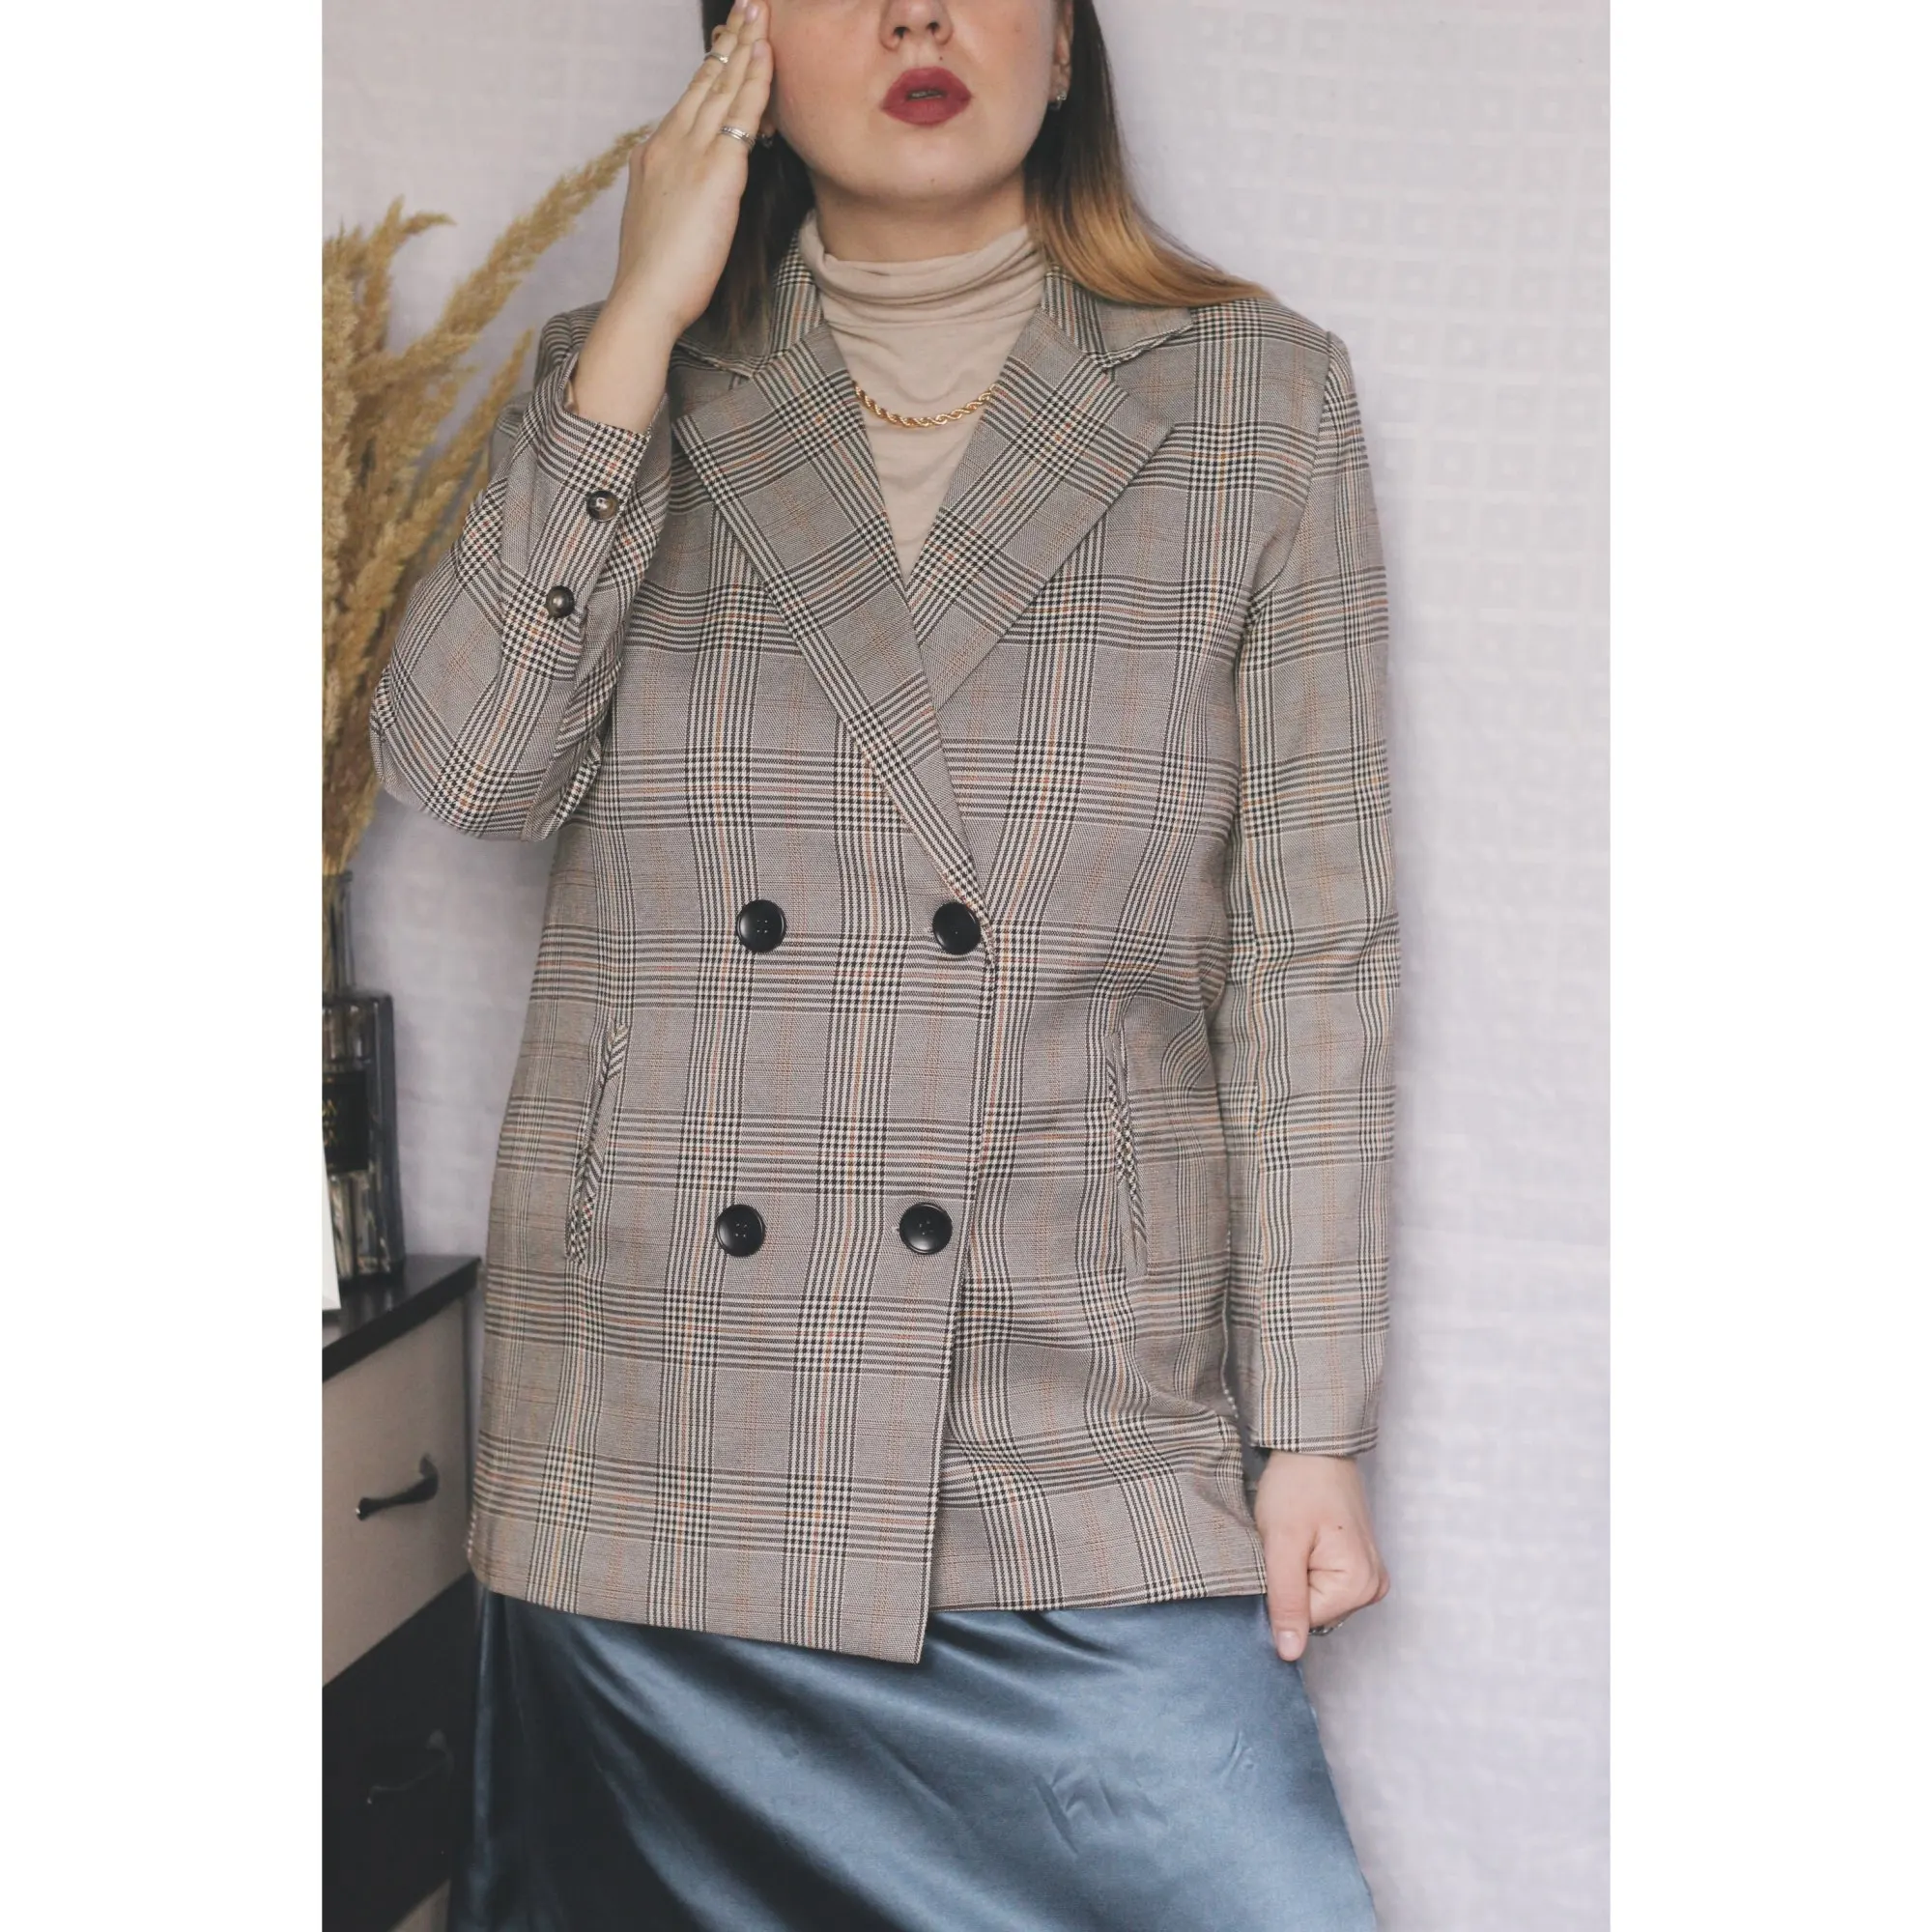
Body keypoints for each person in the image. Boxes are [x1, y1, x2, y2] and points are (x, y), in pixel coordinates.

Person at [370, 1, 1400, 1925]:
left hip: (1069, 1435)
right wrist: (637, 319)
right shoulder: (619, 381)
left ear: (1066, 48)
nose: (919, 14)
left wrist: (1311, 1428)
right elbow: (469, 772)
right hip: (659, 1470)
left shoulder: (1254, 403)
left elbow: (1310, 958)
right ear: (741, 52)